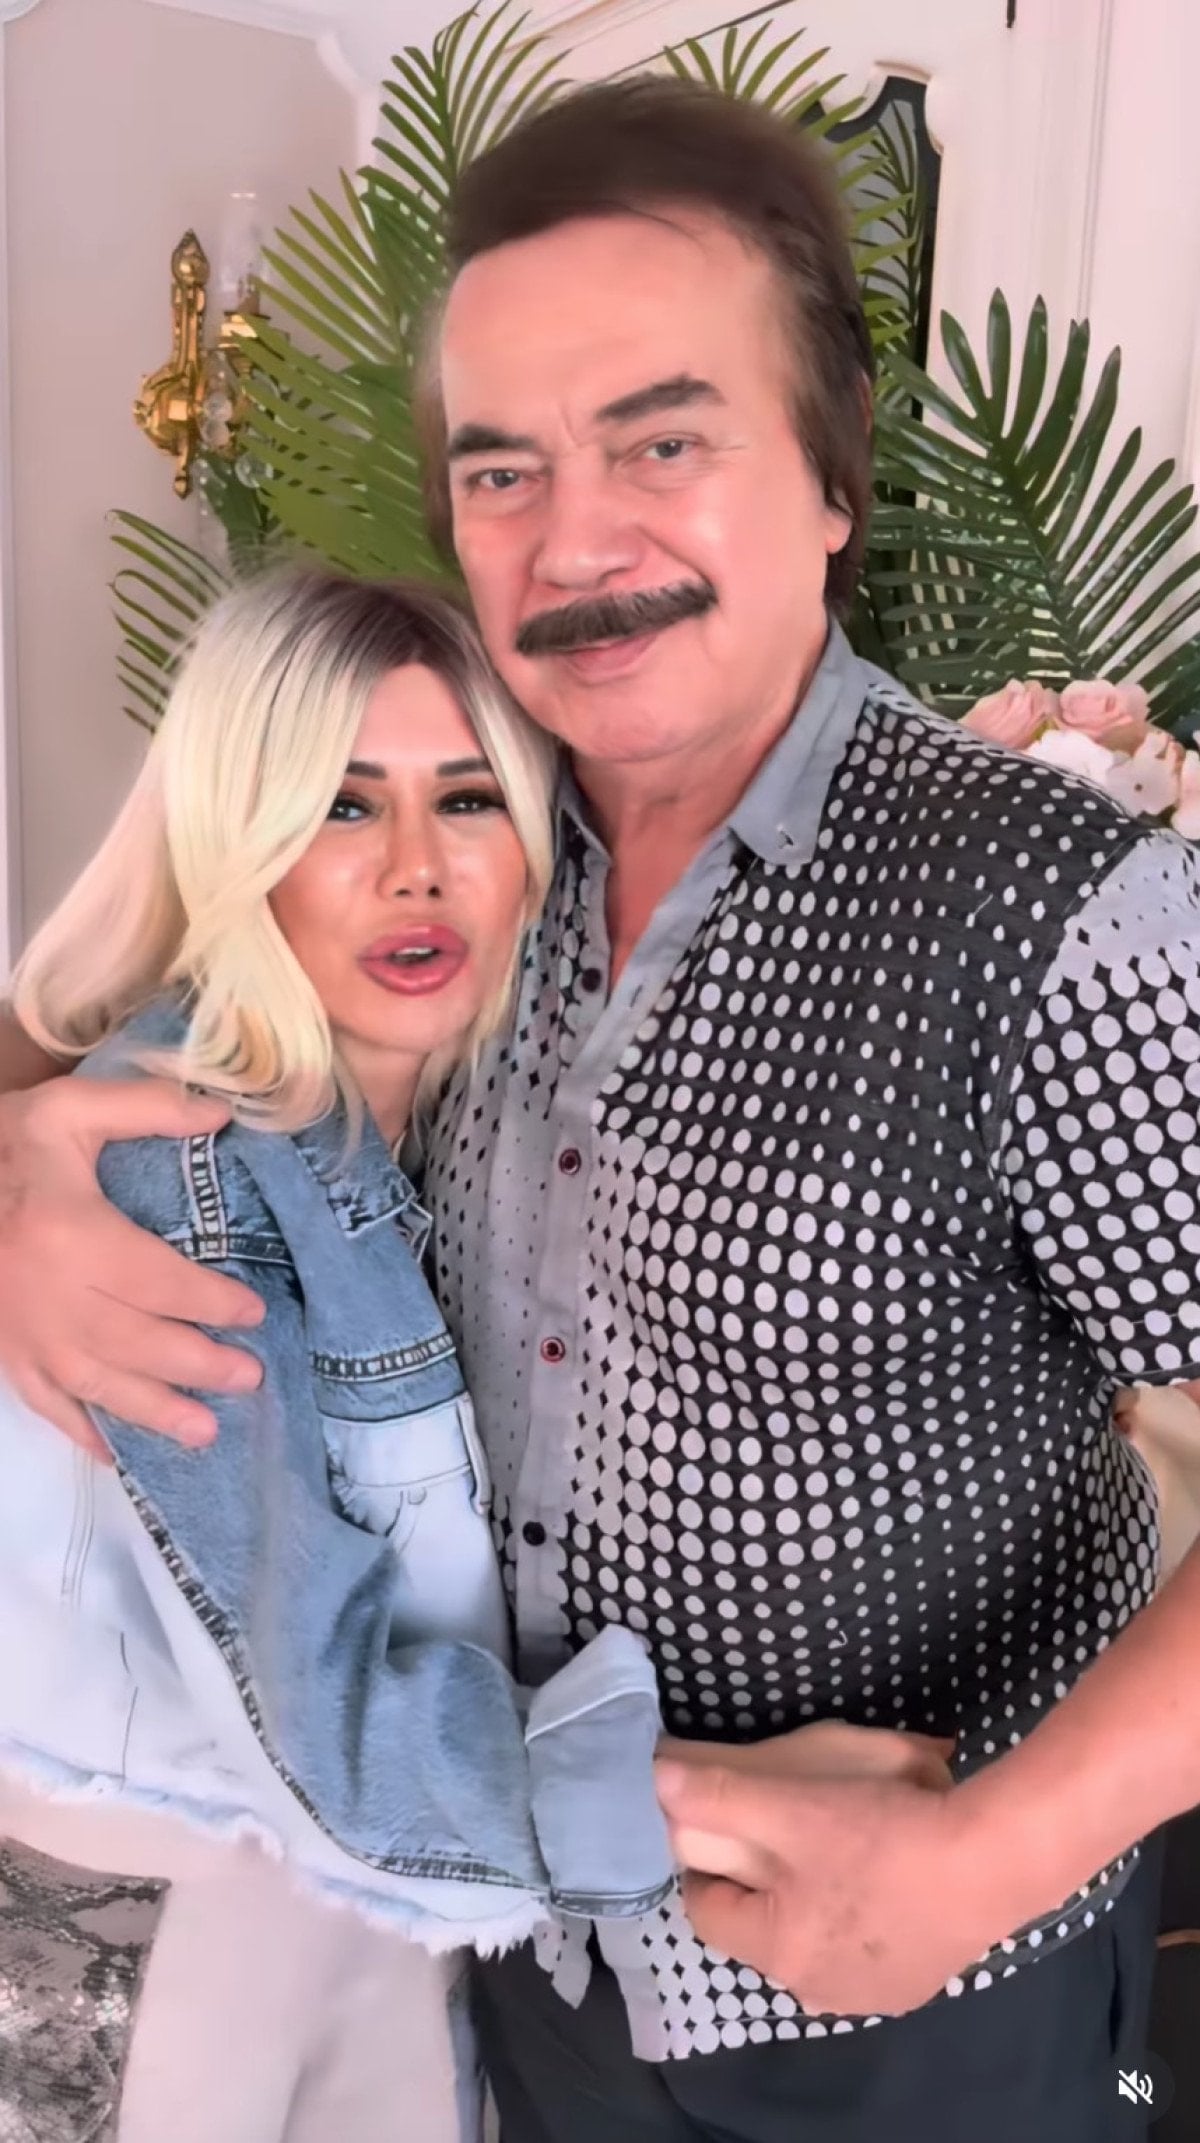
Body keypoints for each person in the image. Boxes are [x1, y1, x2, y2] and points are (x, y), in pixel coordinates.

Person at [0, 73, 1197, 2143]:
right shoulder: (473, 858)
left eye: (664, 440)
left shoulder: (1049, 909)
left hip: (907, 2002)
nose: (576, 540)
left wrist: (989, 1855)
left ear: (832, 469)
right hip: (522, 1979)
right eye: (504, 470)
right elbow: (138, 989)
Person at [0, 566, 676, 2143]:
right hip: (151, 1905)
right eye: (342, 806)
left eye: (468, 799)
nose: (417, 869)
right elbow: (310, 1692)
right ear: (236, 836)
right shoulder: (173, 1162)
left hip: (379, 1909)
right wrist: (710, 1811)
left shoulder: (460, 1129)